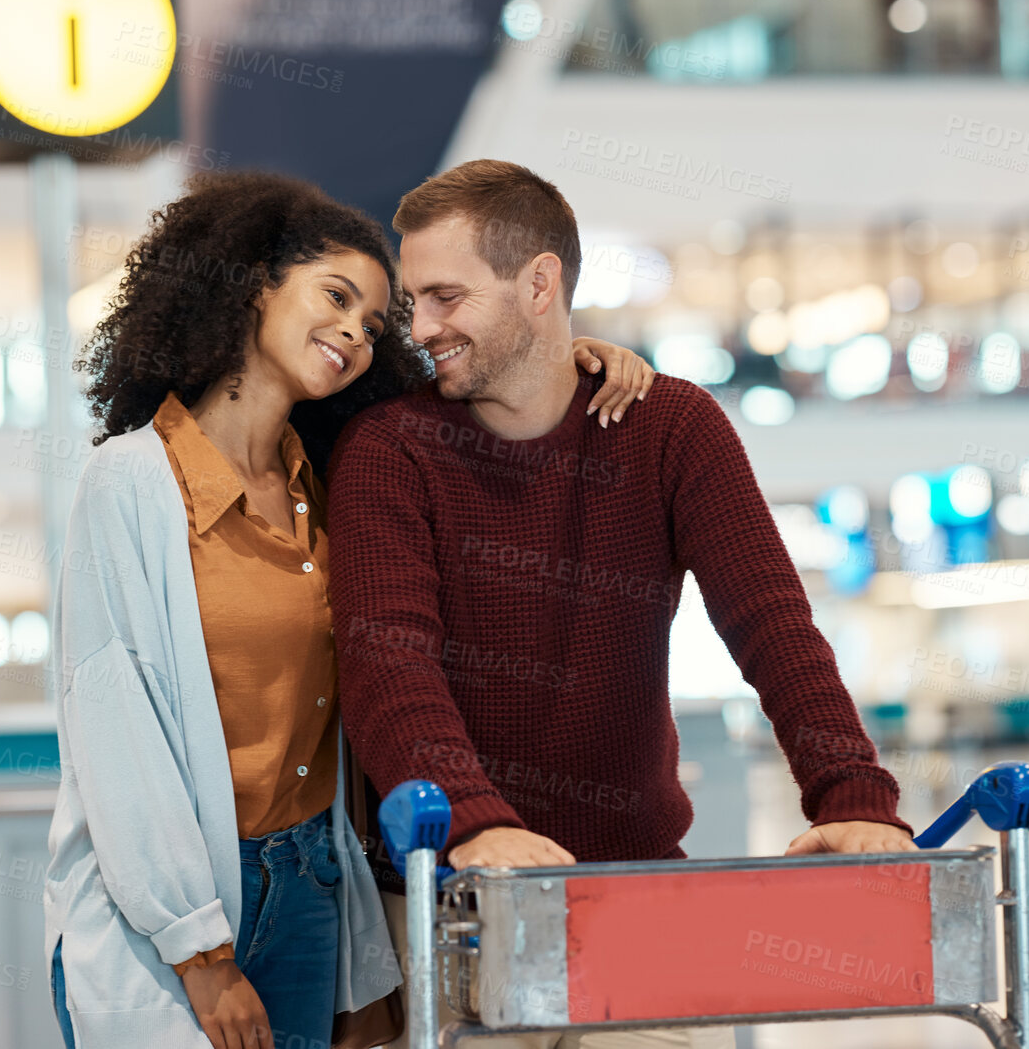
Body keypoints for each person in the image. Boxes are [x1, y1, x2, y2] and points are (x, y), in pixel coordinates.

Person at [42, 170, 654, 1049]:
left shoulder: (330, 485)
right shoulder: (131, 482)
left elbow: (489, 411)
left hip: (311, 882)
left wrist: (576, 353)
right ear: (252, 281)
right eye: (335, 296)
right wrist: (202, 955)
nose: (354, 335)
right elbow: (116, 736)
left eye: (375, 325)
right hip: (173, 914)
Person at [326, 159, 917, 1049]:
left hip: (632, 899)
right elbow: (387, 659)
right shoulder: (390, 450)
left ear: (538, 283)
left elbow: (771, 623)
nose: (421, 327)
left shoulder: (671, 430)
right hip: (446, 907)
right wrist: (476, 823)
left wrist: (852, 795)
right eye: (413, 301)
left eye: (445, 296)